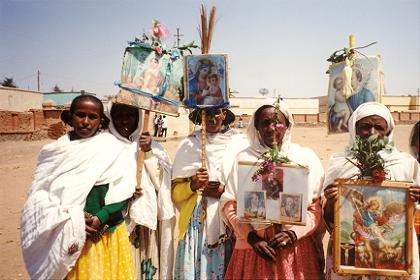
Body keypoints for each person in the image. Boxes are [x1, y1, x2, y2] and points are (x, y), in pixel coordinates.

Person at [21, 95, 135, 279]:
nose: (85, 122)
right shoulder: (55, 152)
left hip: (110, 234)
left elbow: (125, 190)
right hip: (72, 235)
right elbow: (39, 197)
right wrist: (70, 218)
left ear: (101, 121)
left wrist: (102, 216)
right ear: (70, 116)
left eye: (92, 117)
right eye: (80, 115)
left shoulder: (113, 147)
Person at [220, 101, 325, 279]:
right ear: (257, 127)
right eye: (265, 123)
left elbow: (315, 207)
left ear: (287, 125)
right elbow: (230, 205)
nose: (271, 128)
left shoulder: (304, 158)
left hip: (294, 250)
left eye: (277, 123)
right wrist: (252, 238)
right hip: (253, 249)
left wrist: (293, 233)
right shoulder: (244, 159)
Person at [323, 102, 420, 280]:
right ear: (354, 129)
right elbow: (329, 218)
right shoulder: (339, 163)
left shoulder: (406, 164)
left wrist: (414, 199)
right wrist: (331, 200)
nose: (372, 133)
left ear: (388, 131)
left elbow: (413, 213)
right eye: (365, 127)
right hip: (351, 253)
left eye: (379, 127)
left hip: (395, 260)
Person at [172, 107, 247, 279]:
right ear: (199, 116)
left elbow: (250, 186)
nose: (212, 118)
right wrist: (192, 184)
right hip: (196, 224)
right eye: (207, 113)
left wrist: (225, 193)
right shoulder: (189, 144)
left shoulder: (240, 144)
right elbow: (175, 194)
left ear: (225, 114)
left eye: (217, 112)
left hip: (229, 220)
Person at [106, 101, 175, 280]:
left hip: (145, 222)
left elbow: (164, 184)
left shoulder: (154, 147)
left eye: (130, 115)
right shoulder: (104, 147)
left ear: (138, 118)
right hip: (116, 222)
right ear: (111, 118)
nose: (125, 121)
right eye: (119, 116)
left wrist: (149, 153)